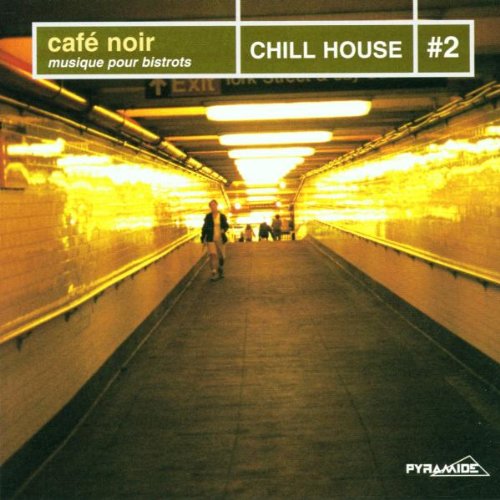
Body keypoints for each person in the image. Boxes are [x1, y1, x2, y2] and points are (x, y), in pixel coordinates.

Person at [201, 199, 229, 281]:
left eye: (214, 205)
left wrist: (223, 230)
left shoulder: (222, 216)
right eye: (211, 205)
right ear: (210, 207)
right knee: (213, 255)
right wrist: (203, 238)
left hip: (220, 239)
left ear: (217, 205)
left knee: (221, 257)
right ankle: (214, 272)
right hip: (211, 239)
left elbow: (226, 225)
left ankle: (220, 268)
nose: (213, 207)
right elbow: (204, 228)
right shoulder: (208, 217)